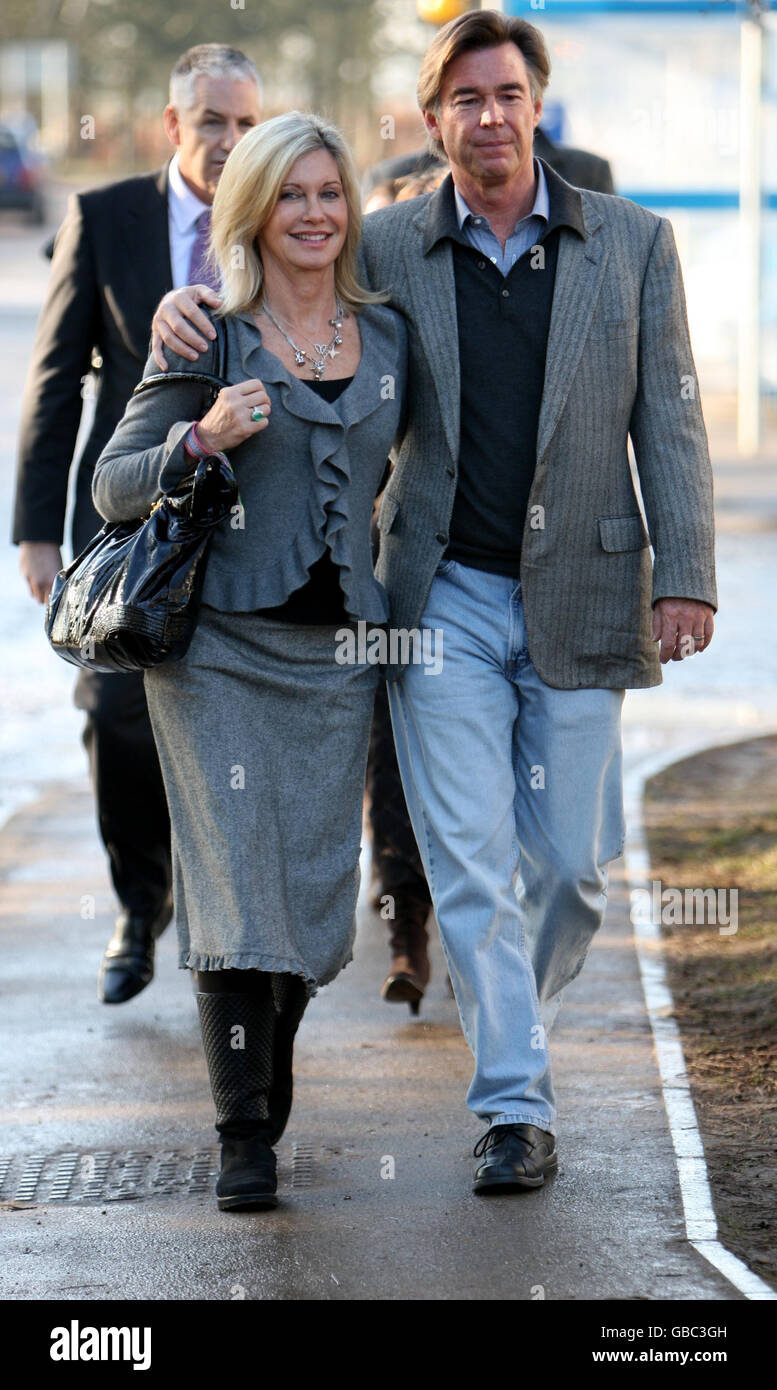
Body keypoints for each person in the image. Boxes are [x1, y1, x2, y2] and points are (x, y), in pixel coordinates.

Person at [149, 10, 717, 1199]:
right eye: (465, 100)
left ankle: (510, 1011)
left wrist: (686, 572)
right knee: (464, 863)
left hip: (582, 593)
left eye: (507, 94)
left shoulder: (632, 243)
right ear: (434, 117)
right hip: (437, 597)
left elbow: (667, 414)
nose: (489, 117)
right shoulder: (393, 245)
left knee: (567, 870)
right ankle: (514, 1102)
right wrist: (182, 309)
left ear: (537, 104)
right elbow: (284, 293)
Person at [92, 111, 408, 1211]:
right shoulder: (207, 334)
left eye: (331, 193)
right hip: (217, 650)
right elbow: (114, 483)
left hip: (336, 661)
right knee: (232, 885)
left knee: (310, 895)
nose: (315, 214)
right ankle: (242, 1136)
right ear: (255, 212)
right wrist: (202, 436)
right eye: (293, 195)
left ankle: (265, 1082)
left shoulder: (392, 337)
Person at [12, 44, 263, 1005]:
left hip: (245, 529)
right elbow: (51, 380)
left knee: (229, 725)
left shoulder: (284, 215)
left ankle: (229, 926)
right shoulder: (103, 217)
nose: (230, 141)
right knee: (116, 717)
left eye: (246, 122)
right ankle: (137, 902)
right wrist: (38, 531)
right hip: (126, 522)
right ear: (174, 125)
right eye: (211, 122)